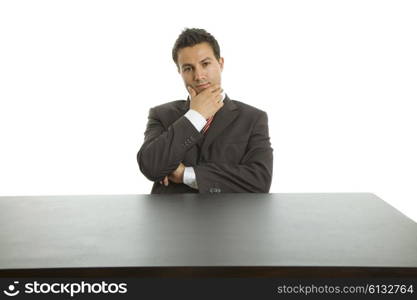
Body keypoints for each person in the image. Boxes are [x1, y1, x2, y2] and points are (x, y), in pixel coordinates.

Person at [137, 28, 273, 194]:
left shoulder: (253, 118)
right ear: (179, 71)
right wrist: (195, 116)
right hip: (172, 218)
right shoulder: (161, 115)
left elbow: (259, 181)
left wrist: (185, 175)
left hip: (228, 218)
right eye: (188, 68)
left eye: (205, 64)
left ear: (220, 63)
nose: (198, 76)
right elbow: (151, 166)